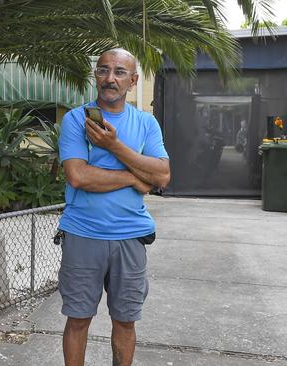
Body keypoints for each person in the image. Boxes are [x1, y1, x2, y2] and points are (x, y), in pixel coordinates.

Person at [57, 48, 171, 366]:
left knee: (125, 321)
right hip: (83, 234)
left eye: (120, 72)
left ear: (133, 81)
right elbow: (78, 176)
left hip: (130, 237)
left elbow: (161, 175)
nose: (110, 78)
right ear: (96, 75)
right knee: (78, 319)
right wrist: (134, 178)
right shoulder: (76, 119)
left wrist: (113, 146)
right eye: (104, 70)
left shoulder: (146, 124)